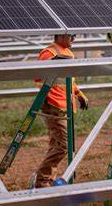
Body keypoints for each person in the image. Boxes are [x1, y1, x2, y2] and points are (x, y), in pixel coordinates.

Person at [33, 34, 89, 188]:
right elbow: (38, 77)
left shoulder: (67, 53)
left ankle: (48, 178)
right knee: (63, 146)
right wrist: (51, 65)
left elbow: (68, 80)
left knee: (56, 144)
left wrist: (78, 94)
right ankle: (42, 180)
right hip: (53, 105)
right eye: (71, 36)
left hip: (65, 105)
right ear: (61, 35)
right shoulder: (49, 53)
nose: (74, 38)